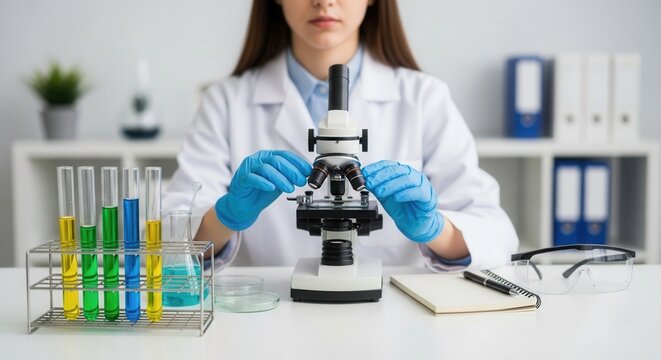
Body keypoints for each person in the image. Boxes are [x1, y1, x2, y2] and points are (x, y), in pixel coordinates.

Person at [163, 0, 518, 272]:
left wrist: (436, 229)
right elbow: (169, 238)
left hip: (397, 325)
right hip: (274, 323)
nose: (324, 0)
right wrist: (223, 217)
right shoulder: (225, 102)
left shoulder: (425, 98)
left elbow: (495, 233)